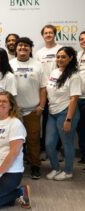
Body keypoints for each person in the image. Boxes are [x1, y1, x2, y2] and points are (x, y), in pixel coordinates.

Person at [10, 37, 47, 180]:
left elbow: (43, 88)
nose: (23, 48)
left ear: (30, 49)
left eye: (26, 46)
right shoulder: (10, 64)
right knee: (14, 140)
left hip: (33, 110)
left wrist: (41, 106)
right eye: (20, 46)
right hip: (14, 111)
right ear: (16, 48)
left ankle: (35, 166)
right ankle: (14, 167)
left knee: (33, 140)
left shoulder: (38, 65)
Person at [46, 47, 81, 180]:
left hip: (66, 113)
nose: (60, 59)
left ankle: (68, 171)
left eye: (63, 57)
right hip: (52, 113)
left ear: (71, 58)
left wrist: (68, 120)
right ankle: (55, 168)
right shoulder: (54, 71)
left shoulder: (74, 75)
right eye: (58, 56)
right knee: (49, 144)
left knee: (67, 143)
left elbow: (74, 98)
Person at [35, 24, 63, 162]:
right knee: (45, 121)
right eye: (46, 33)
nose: (48, 35)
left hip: (59, 91)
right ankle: (45, 149)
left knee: (59, 121)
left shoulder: (60, 49)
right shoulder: (39, 53)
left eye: (50, 32)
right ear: (43, 35)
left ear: (54, 34)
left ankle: (57, 150)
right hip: (44, 91)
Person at [77, 31, 85, 165]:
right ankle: (84, 156)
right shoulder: (78, 55)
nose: (84, 41)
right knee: (81, 129)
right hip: (79, 97)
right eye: (82, 39)